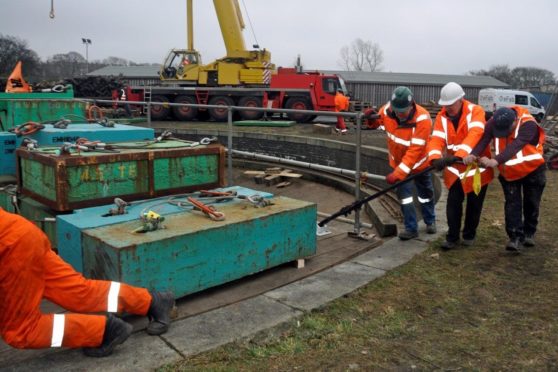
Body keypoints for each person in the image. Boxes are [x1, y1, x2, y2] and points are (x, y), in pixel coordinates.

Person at [0, 208, 175, 357]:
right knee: (77, 292)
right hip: (20, 232)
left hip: (10, 247)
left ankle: (103, 331)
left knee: (21, 331)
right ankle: (153, 302)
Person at [463, 106, 546, 251]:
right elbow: (484, 139)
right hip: (510, 172)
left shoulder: (528, 124)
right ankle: (514, 237)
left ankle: (529, 233)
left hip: (533, 170)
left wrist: (495, 161)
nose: (502, 134)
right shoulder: (493, 122)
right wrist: (473, 153)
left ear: (514, 121)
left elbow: (515, 146)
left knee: (531, 202)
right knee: (512, 204)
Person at [426, 82, 494, 250]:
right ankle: (452, 237)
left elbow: (475, 134)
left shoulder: (475, 111)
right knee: (453, 204)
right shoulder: (442, 117)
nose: (448, 108)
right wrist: (435, 158)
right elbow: (437, 139)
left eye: (451, 105)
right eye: (445, 105)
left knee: (474, 204)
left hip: (476, 169)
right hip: (455, 170)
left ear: (461, 100)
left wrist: (458, 155)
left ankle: (469, 235)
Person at [364, 86, 436, 240]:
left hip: (419, 165)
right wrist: (371, 119)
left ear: (411, 106)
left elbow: (415, 150)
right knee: (405, 198)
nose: (399, 114)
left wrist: (397, 173)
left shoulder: (423, 118)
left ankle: (430, 221)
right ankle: (411, 228)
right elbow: (379, 123)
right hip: (398, 164)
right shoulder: (386, 110)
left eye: (403, 111)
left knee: (426, 195)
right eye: (397, 110)